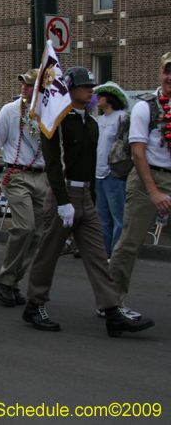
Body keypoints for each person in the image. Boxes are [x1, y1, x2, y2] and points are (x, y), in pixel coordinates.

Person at [23, 66, 154, 337]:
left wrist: (90, 198)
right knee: (48, 253)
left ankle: (112, 309)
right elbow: (54, 165)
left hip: (85, 196)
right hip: (64, 195)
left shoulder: (91, 123)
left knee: (97, 256)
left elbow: (91, 165)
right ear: (69, 90)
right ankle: (34, 304)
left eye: (91, 86)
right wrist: (61, 201)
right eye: (85, 86)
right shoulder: (56, 123)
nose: (90, 90)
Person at [110, 54, 171, 304]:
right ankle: (112, 301)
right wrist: (154, 192)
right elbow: (137, 152)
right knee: (130, 243)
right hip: (148, 178)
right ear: (160, 73)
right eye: (167, 71)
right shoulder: (146, 107)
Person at [0, 69, 47, 307]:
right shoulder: (10, 110)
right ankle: (4, 279)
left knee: (37, 233)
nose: (24, 88)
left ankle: (12, 281)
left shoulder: (48, 115)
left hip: (42, 177)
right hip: (16, 174)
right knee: (24, 227)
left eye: (30, 85)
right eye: (23, 83)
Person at [92, 81, 128, 257]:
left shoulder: (122, 117)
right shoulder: (100, 120)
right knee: (103, 219)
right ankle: (104, 254)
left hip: (114, 175)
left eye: (101, 95)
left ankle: (116, 254)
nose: (97, 98)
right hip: (98, 175)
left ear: (111, 98)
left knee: (118, 218)